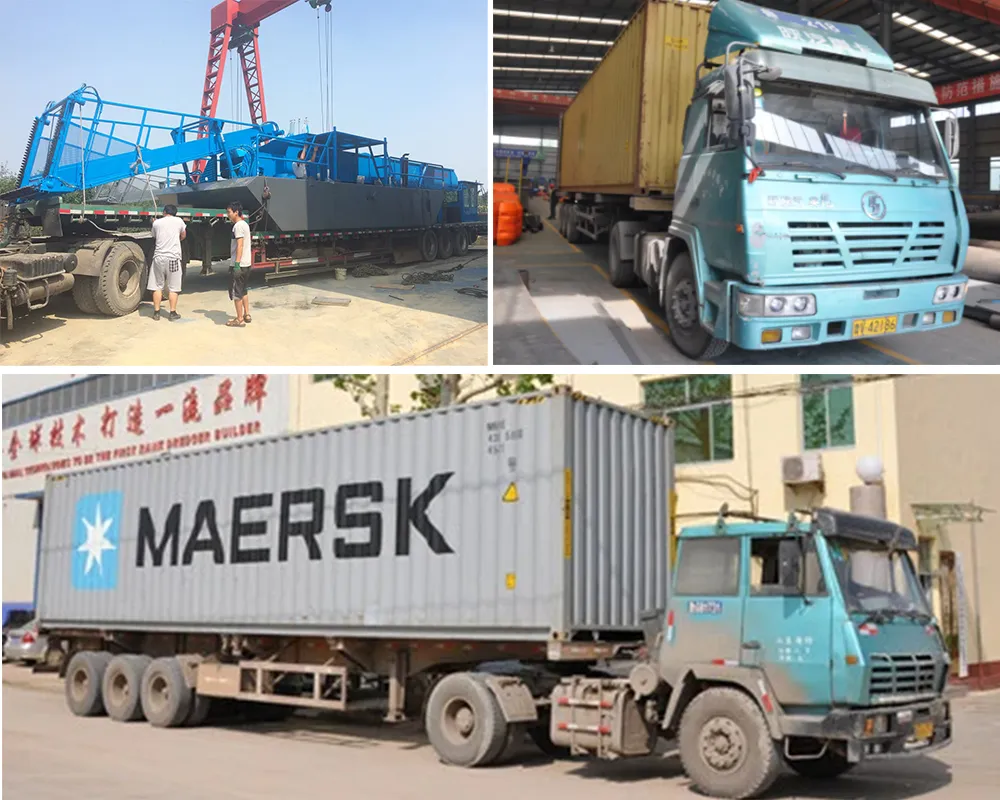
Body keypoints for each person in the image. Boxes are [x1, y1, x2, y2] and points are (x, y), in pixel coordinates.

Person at [147, 204, 186, 321]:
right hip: (173, 258)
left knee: (157, 286)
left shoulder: (157, 223)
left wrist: (154, 222)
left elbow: (153, 236)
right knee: (173, 287)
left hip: (158, 258)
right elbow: (183, 235)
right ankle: (172, 313)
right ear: (175, 213)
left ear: (164, 212)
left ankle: (157, 312)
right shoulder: (179, 221)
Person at [226, 201, 253, 327]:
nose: (228, 215)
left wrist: (236, 264)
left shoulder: (237, 226)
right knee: (244, 290)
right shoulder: (245, 225)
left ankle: (239, 319)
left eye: (229, 212)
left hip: (240, 265)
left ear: (236, 212)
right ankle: (247, 314)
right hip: (246, 264)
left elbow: (240, 245)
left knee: (236, 293)